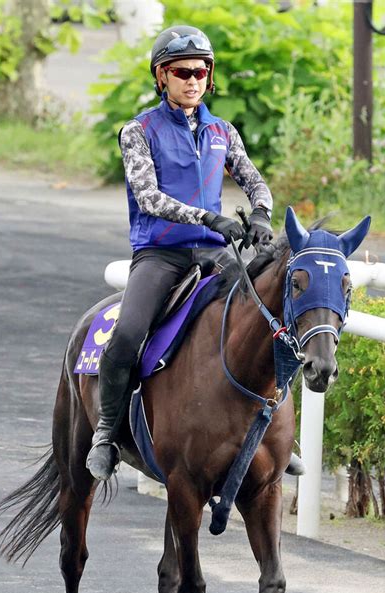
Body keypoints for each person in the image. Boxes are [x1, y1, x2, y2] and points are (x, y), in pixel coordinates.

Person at [86, 26, 308, 482]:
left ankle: (283, 432)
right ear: (161, 77)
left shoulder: (222, 131)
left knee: (271, 321)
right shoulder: (138, 132)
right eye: (182, 72)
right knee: (127, 334)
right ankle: (106, 432)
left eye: (201, 72)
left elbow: (254, 180)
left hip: (215, 257)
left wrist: (262, 213)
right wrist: (209, 219)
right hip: (161, 256)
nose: (192, 80)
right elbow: (148, 198)